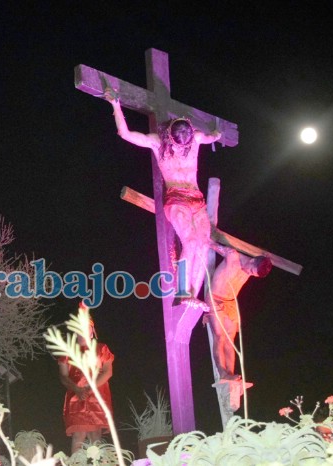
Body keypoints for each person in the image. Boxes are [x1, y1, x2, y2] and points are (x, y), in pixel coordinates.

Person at [104, 89, 222, 304]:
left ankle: (193, 294)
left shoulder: (194, 139)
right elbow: (126, 134)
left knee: (204, 243)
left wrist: (217, 134)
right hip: (177, 200)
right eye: (177, 146)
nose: (180, 150)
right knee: (191, 242)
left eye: (183, 147)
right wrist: (115, 104)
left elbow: (212, 136)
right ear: (170, 137)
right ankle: (184, 292)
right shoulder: (158, 143)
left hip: (197, 200)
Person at [205, 243, 272, 381]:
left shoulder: (254, 266)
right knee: (219, 336)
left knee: (230, 341)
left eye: (253, 274)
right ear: (252, 260)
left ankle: (230, 373)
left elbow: (264, 259)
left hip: (231, 303)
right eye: (251, 270)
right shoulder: (232, 256)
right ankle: (222, 373)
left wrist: (267, 259)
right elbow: (210, 243)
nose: (249, 273)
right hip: (215, 299)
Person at [58, 303, 114, 454]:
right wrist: (77, 389)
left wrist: (90, 389)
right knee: (79, 435)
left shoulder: (102, 349)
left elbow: (107, 372)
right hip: (76, 397)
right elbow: (63, 376)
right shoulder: (67, 351)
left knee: (96, 435)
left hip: (97, 397)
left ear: (91, 331)